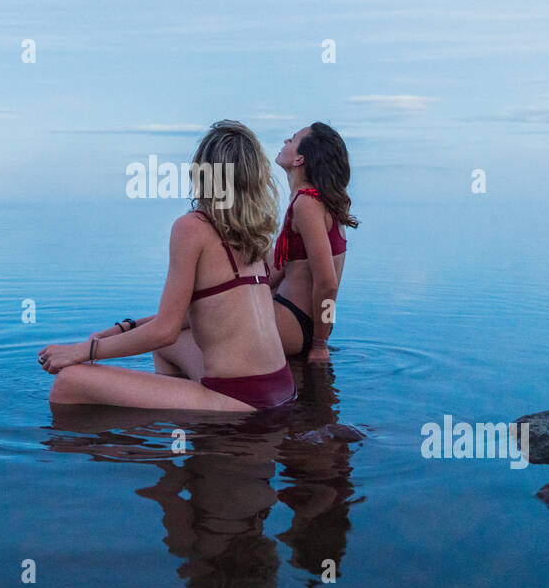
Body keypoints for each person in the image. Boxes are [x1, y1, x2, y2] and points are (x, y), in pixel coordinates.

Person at [39, 120, 296, 412]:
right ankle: (173, 415)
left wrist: (80, 352)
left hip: (240, 401)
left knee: (69, 382)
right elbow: (184, 320)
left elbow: (165, 329)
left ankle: (165, 430)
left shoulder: (192, 227)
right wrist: (124, 328)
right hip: (282, 389)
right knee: (166, 347)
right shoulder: (256, 233)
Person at [269, 123, 358, 367]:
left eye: (294, 139)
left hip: (296, 322)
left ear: (300, 159)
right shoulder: (322, 201)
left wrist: (319, 345)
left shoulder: (307, 203)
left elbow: (328, 283)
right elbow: (284, 269)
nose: (286, 140)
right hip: (305, 323)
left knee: (186, 334)